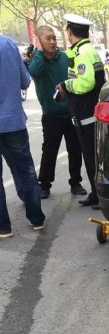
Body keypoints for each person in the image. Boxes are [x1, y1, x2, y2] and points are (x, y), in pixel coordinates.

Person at [25, 25, 87, 199]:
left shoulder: (65, 58)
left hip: (71, 112)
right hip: (51, 115)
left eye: (54, 38)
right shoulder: (36, 61)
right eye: (47, 39)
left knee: (75, 149)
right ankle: (44, 184)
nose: (52, 42)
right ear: (39, 41)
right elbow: (33, 72)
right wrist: (39, 52)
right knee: (49, 150)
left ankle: (76, 182)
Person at [55, 14, 106, 209]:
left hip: (87, 115)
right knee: (92, 156)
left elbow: (85, 83)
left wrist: (65, 85)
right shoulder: (86, 50)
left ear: (69, 32)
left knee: (92, 157)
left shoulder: (83, 53)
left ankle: (99, 195)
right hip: (89, 113)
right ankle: (96, 193)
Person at [0, 35, 45, 239]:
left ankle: (3, 227)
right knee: (26, 171)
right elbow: (25, 82)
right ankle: (36, 219)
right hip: (14, 122)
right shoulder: (8, 44)